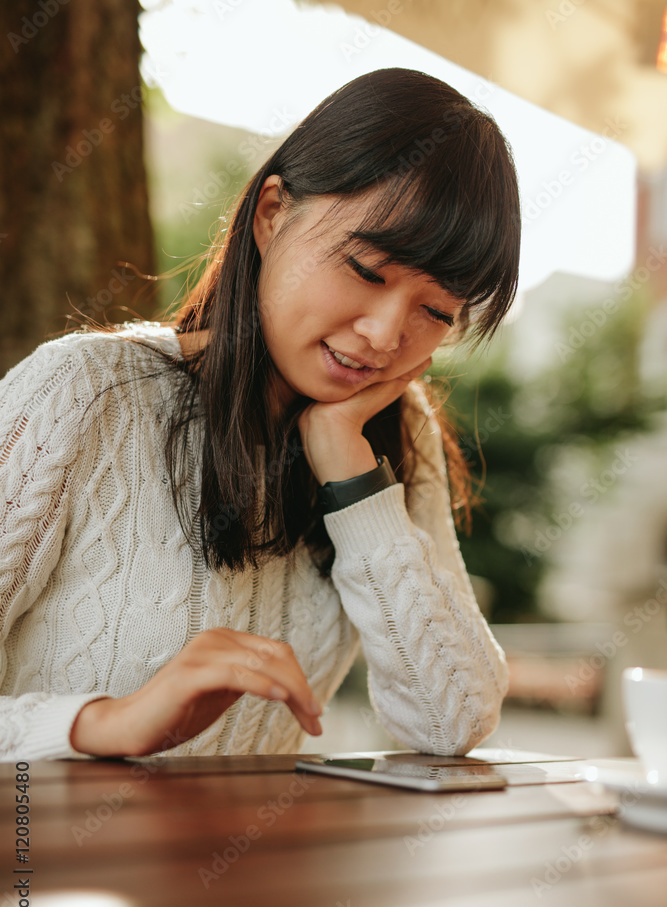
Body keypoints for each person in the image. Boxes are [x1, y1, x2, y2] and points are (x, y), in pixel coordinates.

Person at [0, 67, 520, 762]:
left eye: (435, 311)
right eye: (366, 270)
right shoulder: (86, 393)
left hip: (262, 865)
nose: (385, 334)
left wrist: (353, 480)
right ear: (272, 214)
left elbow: (450, 723)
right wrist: (102, 724)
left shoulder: (394, 433)